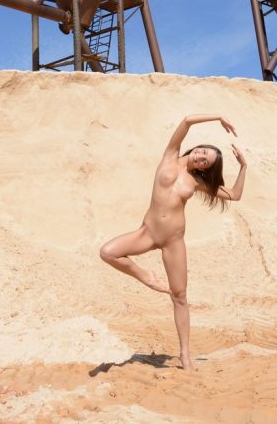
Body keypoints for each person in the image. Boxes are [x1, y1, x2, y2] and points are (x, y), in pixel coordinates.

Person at [99, 114, 248, 370]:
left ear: (204, 169)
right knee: (107, 252)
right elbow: (187, 121)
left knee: (179, 296)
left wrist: (244, 167)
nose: (199, 157)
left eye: (205, 161)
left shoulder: (198, 182)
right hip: (148, 233)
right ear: (196, 148)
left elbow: (234, 195)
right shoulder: (170, 155)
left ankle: (185, 356)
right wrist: (218, 117)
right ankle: (145, 276)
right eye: (201, 152)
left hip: (173, 242)